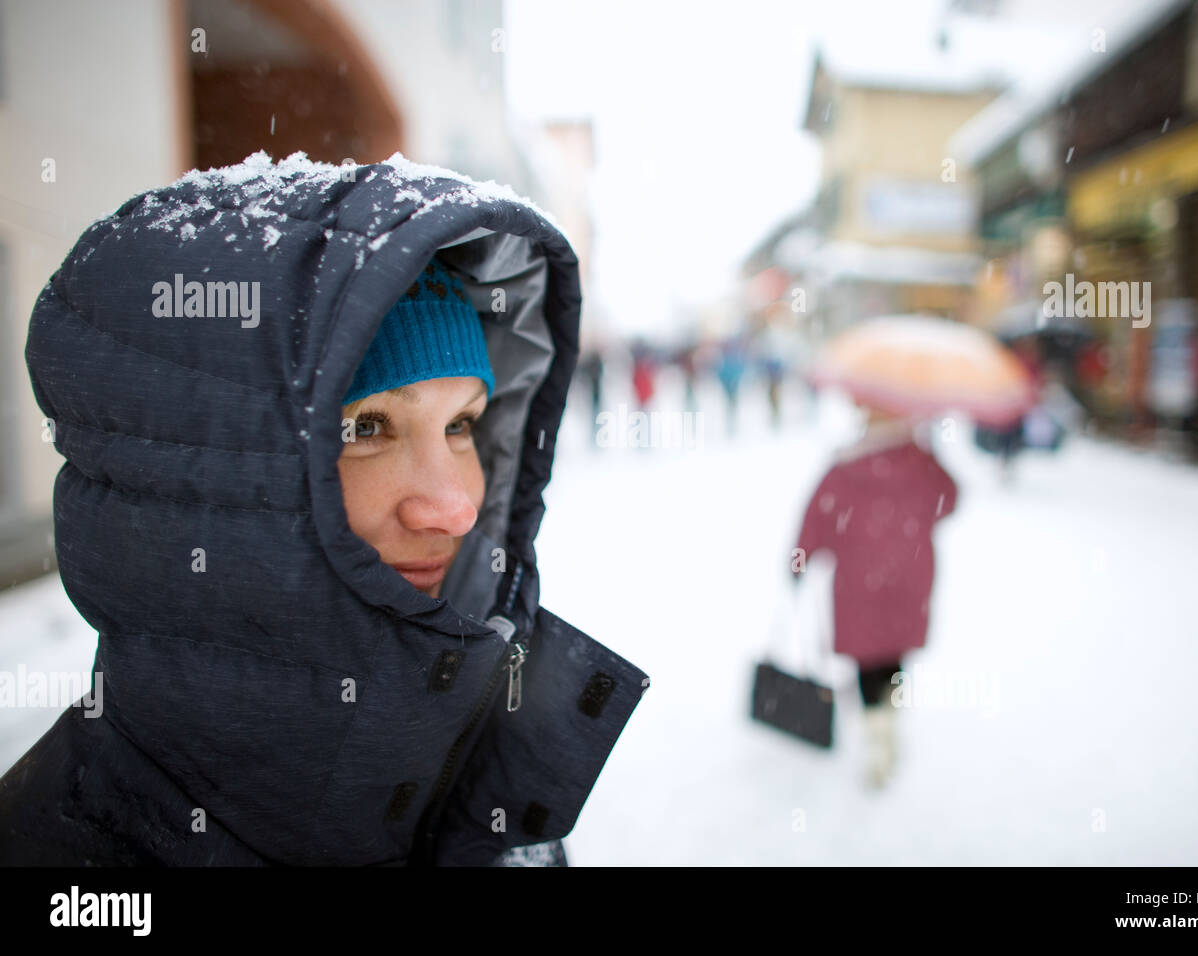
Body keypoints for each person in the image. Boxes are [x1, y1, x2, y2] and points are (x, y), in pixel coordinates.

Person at [0, 152, 648, 866]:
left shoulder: (495, 817)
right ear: (200, 486)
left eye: (461, 424)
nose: (457, 507)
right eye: (367, 428)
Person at [793, 401, 957, 788]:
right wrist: (930, 453)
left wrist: (797, 563)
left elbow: (814, 522)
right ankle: (889, 720)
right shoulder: (923, 464)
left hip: (856, 582)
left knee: (867, 657)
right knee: (894, 655)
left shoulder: (846, 466)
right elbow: (949, 502)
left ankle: (876, 731)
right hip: (911, 576)